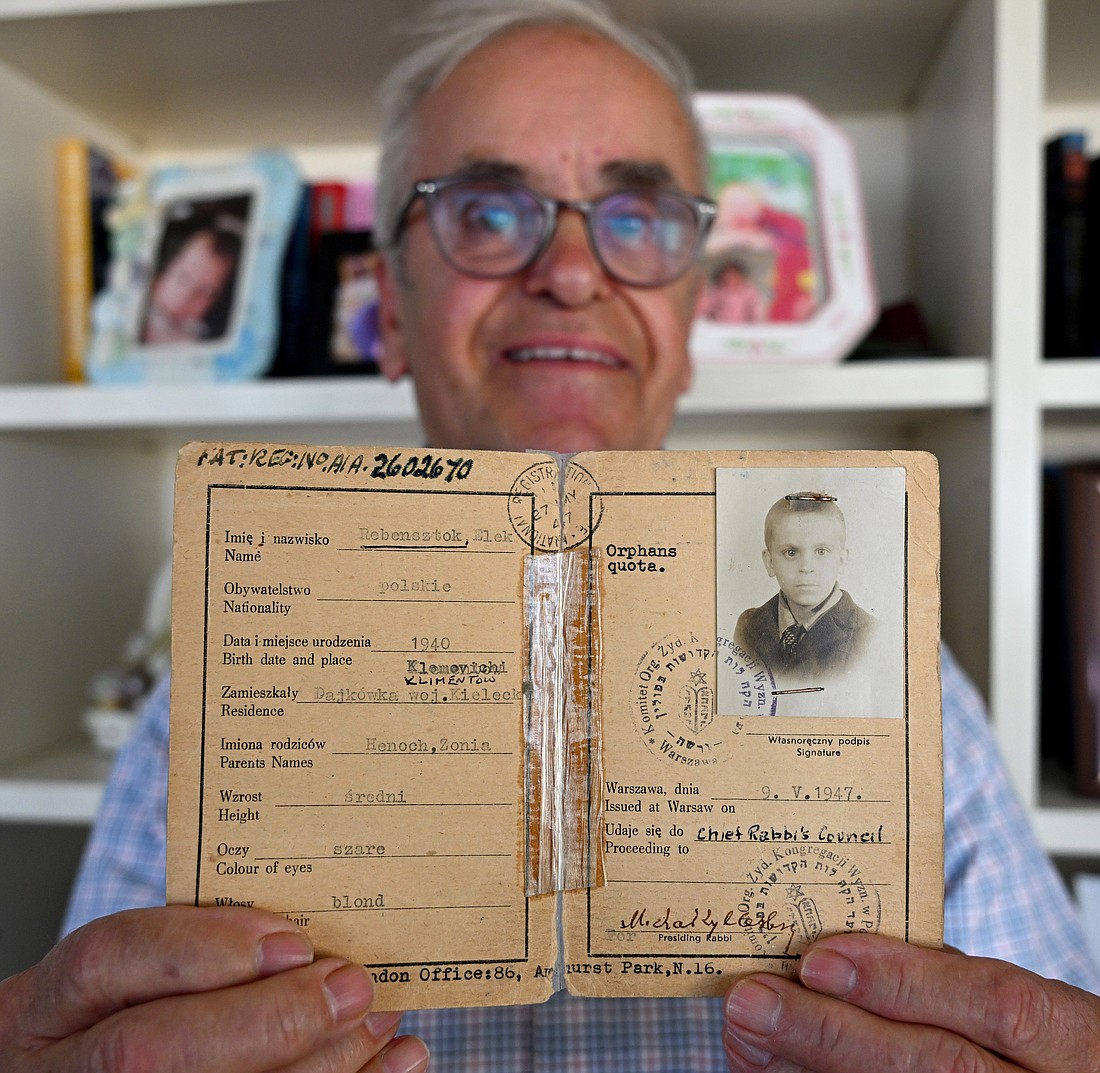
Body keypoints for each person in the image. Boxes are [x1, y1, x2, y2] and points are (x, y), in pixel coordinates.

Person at [4, 2, 1099, 1071]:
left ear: (686, 326)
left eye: (635, 219)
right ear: (386, 310)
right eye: (484, 211)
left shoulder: (903, 685)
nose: (571, 273)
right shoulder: (203, 704)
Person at [735, 492, 874, 680]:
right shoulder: (749, 626)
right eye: (791, 552)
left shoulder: (870, 634)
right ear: (770, 562)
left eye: (821, 552)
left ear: (841, 561)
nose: (806, 567)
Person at [140, 221, 241, 345]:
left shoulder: (197, 336)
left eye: (207, 291)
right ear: (163, 272)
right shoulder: (139, 301)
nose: (186, 296)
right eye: (182, 277)